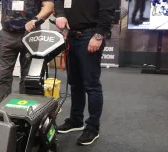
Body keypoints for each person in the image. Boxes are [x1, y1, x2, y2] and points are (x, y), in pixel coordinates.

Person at [54, 0, 114, 146]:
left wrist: (99, 35)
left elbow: (108, 9)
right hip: (72, 36)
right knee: (75, 83)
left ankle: (92, 128)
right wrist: (60, 14)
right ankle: (76, 120)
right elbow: (59, 2)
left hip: (90, 35)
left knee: (91, 85)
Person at [0, 0, 54, 103]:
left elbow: (49, 6)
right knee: (4, 75)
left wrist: (35, 19)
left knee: (28, 77)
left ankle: (25, 110)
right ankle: (2, 108)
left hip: (31, 35)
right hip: (7, 34)